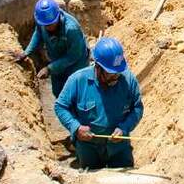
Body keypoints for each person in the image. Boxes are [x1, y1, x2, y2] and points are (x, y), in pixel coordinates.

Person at [54, 37, 143, 169]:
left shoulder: (128, 80)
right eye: (111, 73)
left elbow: (137, 108)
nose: (116, 76)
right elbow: (60, 106)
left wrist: (124, 128)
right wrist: (76, 127)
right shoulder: (78, 80)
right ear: (98, 67)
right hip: (88, 147)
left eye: (118, 72)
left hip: (119, 147)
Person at [16, 0, 89, 97]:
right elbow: (38, 33)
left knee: (76, 93)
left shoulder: (71, 29)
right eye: (45, 25)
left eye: (50, 24)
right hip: (56, 60)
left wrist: (50, 68)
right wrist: (27, 52)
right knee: (58, 92)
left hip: (76, 64)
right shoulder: (42, 20)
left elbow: (74, 55)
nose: (47, 27)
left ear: (58, 16)